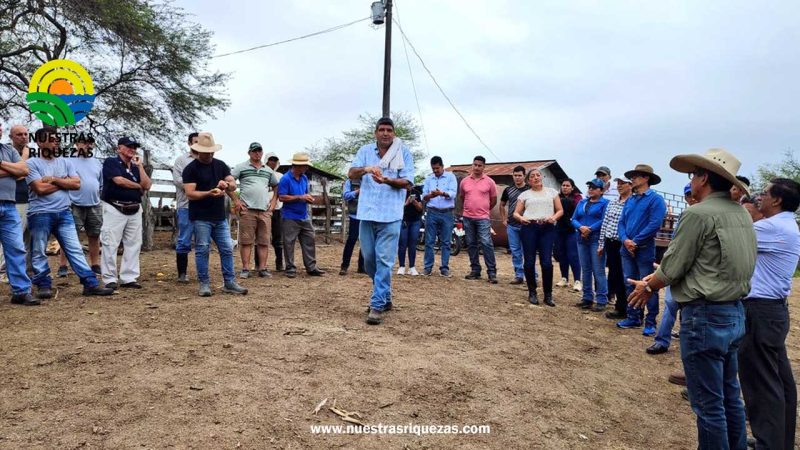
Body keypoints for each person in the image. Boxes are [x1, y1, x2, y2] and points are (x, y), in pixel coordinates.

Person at [628, 148, 756, 450]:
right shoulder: (741, 213)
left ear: (704, 178)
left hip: (705, 315)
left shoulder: (698, 214)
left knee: (708, 405)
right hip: (735, 311)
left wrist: (649, 285)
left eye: (693, 175)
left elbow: (674, 264)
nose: (692, 181)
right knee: (729, 396)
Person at [738, 178, 800, 450]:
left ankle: (768, 444)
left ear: (777, 200)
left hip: (760, 311)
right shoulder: (784, 224)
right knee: (778, 380)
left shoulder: (771, 227)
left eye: (763, 193)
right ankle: (778, 442)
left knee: (760, 381)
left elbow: (731, 237)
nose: (758, 197)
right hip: (771, 311)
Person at [26, 127, 113, 299]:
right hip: (40, 213)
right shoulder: (32, 163)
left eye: (56, 139)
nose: (55, 142)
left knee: (75, 249)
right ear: (39, 142)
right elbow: (39, 189)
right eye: (50, 139)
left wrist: (54, 179)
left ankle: (90, 284)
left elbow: (76, 184)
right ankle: (44, 284)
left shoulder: (66, 162)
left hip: (64, 212)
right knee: (39, 251)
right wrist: (64, 182)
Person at [348, 117, 415, 325]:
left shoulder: (403, 153)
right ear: (375, 132)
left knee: (384, 260)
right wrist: (367, 169)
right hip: (367, 212)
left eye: (389, 130)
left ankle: (377, 304)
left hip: (391, 214)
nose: (386, 133)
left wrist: (386, 180)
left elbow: (408, 183)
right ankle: (385, 296)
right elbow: (351, 174)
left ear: (394, 133)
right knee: (369, 260)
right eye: (382, 130)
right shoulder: (365, 151)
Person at [182, 132, 247, 296]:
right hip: (201, 216)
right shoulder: (191, 169)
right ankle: (204, 283)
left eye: (211, 151)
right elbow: (190, 193)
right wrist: (209, 193)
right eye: (206, 151)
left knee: (226, 248)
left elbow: (232, 183)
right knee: (202, 249)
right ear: (198, 151)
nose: (209, 154)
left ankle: (229, 282)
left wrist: (227, 185)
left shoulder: (221, 165)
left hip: (219, 216)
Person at [615, 164, 667, 336]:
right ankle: (633, 316)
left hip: (643, 248)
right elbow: (621, 222)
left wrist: (634, 242)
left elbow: (654, 224)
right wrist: (625, 240)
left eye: (636, 176)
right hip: (627, 248)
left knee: (648, 285)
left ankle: (650, 321)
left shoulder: (655, 199)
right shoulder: (631, 199)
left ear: (646, 178)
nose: (633, 179)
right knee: (629, 282)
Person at [647, 183, 698, 354]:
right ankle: (662, 340)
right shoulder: (685, 215)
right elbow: (675, 245)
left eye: (693, 194)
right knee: (670, 303)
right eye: (688, 195)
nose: (692, 198)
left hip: (695, 271)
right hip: (678, 265)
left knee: (689, 308)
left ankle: (687, 342)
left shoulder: (707, 216)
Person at [100, 136, 151, 290]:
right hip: (114, 207)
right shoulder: (111, 162)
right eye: (128, 146)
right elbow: (119, 180)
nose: (132, 149)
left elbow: (147, 185)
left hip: (134, 208)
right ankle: (109, 278)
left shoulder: (136, 167)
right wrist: (137, 186)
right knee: (110, 243)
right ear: (119, 148)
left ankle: (129, 277)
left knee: (134, 243)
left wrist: (140, 167)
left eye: (134, 147)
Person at [512, 168, 563, 306]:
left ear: (542, 177)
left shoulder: (552, 192)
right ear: (528, 180)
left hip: (547, 227)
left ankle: (548, 294)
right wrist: (521, 218)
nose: (536, 178)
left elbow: (560, 210)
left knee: (546, 262)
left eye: (538, 175)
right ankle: (532, 292)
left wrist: (553, 218)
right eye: (532, 176)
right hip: (529, 227)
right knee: (529, 262)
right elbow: (516, 213)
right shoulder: (524, 195)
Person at [231, 142, 279, 278]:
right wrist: (236, 200)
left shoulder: (268, 170)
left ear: (262, 153)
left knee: (264, 241)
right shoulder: (241, 167)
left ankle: (262, 268)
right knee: (246, 241)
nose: (257, 153)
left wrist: (273, 203)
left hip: (264, 210)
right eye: (254, 151)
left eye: (259, 151)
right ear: (249, 153)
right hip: (247, 209)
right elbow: (229, 182)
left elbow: (276, 187)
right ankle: (245, 268)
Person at [0, 123, 35, 305]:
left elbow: (23, 171)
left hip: (9, 205)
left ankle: (21, 291)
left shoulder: (7, 150)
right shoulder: (12, 153)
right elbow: (16, 171)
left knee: (16, 248)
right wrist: (11, 170)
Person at [57, 136, 102, 277]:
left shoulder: (97, 163)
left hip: (94, 203)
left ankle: (95, 264)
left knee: (94, 235)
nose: (87, 145)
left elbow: (100, 183)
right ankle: (63, 265)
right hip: (74, 203)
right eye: (84, 142)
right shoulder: (68, 160)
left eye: (90, 143)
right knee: (69, 236)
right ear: (77, 144)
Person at [277, 152, 325, 279]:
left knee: (309, 239)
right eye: (304, 166)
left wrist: (307, 198)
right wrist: (300, 197)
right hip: (290, 216)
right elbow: (281, 197)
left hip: (303, 215)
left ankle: (311, 267)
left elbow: (305, 194)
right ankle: (290, 268)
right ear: (297, 166)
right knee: (289, 243)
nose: (306, 168)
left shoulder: (303, 178)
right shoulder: (285, 179)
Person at [571, 178, 609, 311]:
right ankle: (587, 297)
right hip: (581, 238)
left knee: (598, 270)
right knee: (585, 269)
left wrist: (590, 229)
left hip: (596, 239)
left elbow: (604, 220)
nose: (591, 189)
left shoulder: (605, 203)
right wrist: (581, 227)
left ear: (601, 190)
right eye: (589, 187)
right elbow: (574, 218)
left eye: (594, 187)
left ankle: (602, 299)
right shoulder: (582, 202)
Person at [598, 177, 633, 320]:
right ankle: (620, 306)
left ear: (630, 185)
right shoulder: (613, 203)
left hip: (623, 243)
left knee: (626, 276)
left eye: (622, 183)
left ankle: (627, 308)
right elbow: (605, 223)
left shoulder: (632, 203)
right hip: (610, 242)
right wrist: (601, 244)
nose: (619, 186)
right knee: (615, 274)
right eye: (618, 184)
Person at [459, 156, 498, 283]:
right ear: (472, 165)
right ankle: (475, 270)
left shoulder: (489, 182)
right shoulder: (464, 181)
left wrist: (484, 209)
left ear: (484, 167)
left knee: (486, 243)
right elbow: (462, 197)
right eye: (474, 165)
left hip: (483, 218)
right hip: (468, 217)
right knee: (471, 244)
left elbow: (493, 200)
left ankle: (492, 272)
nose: (476, 167)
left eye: (479, 165)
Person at [422, 156, 458, 277]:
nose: (435, 170)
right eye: (433, 168)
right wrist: (430, 196)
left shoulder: (450, 177)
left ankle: (444, 268)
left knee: (446, 242)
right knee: (429, 241)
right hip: (432, 211)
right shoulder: (429, 179)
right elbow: (423, 196)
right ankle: (427, 267)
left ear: (442, 166)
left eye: (437, 168)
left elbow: (453, 193)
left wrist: (441, 193)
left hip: (447, 212)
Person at [172, 132, 199, 283]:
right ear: (189, 143)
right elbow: (178, 181)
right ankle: (182, 273)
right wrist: (197, 186)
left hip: (203, 206)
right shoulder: (181, 160)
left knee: (203, 240)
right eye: (194, 142)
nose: (197, 144)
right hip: (186, 205)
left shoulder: (207, 160)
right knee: (184, 239)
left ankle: (201, 272)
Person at [499, 165, 529, 285]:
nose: (517, 178)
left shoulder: (529, 190)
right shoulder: (508, 190)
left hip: (527, 225)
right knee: (515, 251)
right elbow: (502, 205)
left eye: (519, 175)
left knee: (528, 251)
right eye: (515, 175)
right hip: (512, 225)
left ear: (524, 176)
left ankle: (532, 275)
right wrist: (503, 219)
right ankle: (518, 275)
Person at [554, 178, 581, 290]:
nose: (565, 187)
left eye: (567, 185)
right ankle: (564, 278)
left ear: (572, 187)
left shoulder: (577, 198)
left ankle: (577, 281)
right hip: (559, 230)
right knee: (562, 255)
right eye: (563, 185)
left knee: (573, 255)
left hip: (572, 231)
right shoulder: (557, 198)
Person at [339, 177, 365, 275]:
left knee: (365, 241)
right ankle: (344, 266)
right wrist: (358, 191)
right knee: (351, 240)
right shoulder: (350, 181)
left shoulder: (371, 180)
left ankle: (362, 267)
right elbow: (346, 196)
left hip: (367, 215)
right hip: (355, 215)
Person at [397, 185, 423, 275]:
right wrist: (406, 203)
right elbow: (396, 208)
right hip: (403, 220)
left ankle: (412, 267)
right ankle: (401, 266)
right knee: (402, 243)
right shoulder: (399, 192)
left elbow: (420, 208)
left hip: (415, 221)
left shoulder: (417, 193)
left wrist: (415, 202)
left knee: (413, 244)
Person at [265, 153, 285, 271]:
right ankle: (259, 264)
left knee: (278, 238)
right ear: (266, 161)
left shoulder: (280, 176)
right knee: (262, 238)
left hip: (277, 209)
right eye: (270, 160)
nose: (272, 162)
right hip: (263, 209)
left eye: (275, 160)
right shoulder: (262, 174)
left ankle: (279, 263)